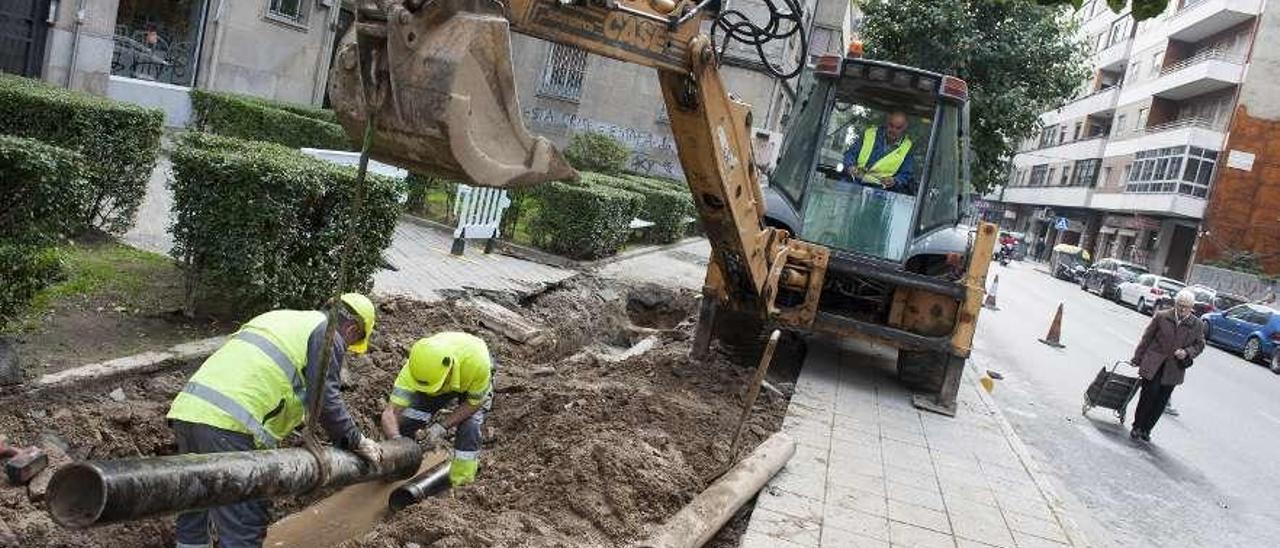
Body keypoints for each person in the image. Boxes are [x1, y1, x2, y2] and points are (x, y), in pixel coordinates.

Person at [166, 293, 383, 548]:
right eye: (352, 342)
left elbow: (268, 376)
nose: (346, 348)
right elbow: (325, 398)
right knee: (243, 521)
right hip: (231, 425)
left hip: (189, 411)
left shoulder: (284, 318)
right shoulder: (329, 334)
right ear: (353, 328)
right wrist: (355, 440)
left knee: (197, 505)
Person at [381, 332, 493, 487]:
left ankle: (462, 483)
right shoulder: (416, 368)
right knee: (409, 416)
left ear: (449, 371)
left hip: (470, 377)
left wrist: (442, 426)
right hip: (439, 375)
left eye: (434, 388)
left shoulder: (478, 366)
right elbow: (390, 413)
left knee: (470, 426)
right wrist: (397, 441)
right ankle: (400, 468)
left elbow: (474, 404)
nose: (430, 393)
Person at [1129, 289, 1205, 442]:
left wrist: (1187, 352)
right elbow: (1147, 338)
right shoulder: (1162, 316)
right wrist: (1137, 358)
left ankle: (1146, 430)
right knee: (1148, 395)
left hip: (1174, 367)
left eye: (1186, 306)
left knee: (1161, 400)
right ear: (1175, 304)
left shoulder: (1197, 324)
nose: (1182, 309)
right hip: (1154, 362)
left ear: (1192, 307)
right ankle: (1137, 426)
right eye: (1180, 305)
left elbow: (1200, 345)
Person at [841, 111, 915, 194]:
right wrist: (850, 166)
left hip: (881, 192)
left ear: (905, 128)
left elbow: (906, 175)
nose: (893, 130)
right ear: (887, 123)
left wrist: (895, 181)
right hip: (854, 183)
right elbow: (850, 154)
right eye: (891, 125)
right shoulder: (869, 134)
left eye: (898, 128)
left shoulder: (907, 148)